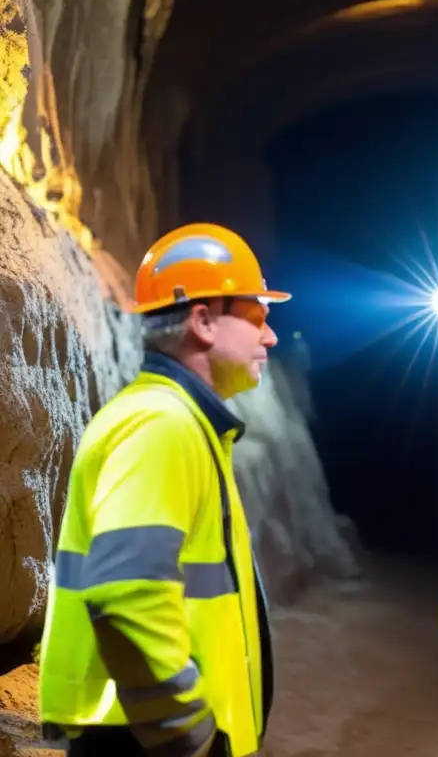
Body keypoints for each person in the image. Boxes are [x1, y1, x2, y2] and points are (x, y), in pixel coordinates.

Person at [39, 222, 290, 756]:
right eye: (257, 315)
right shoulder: (161, 425)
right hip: (145, 741)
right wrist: (188, 733)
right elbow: (128, 593)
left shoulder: (183, 422)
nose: (269, 335)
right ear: (203, 321)